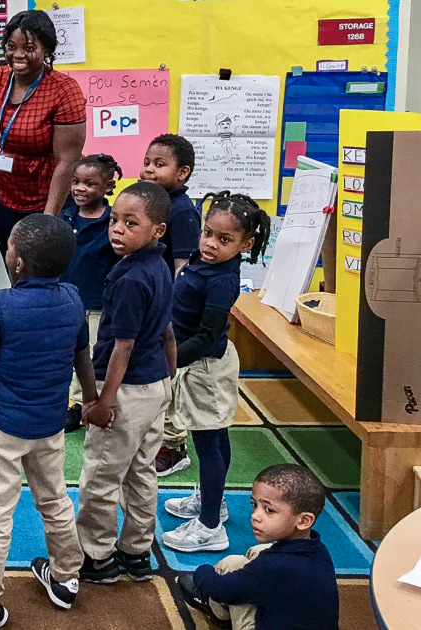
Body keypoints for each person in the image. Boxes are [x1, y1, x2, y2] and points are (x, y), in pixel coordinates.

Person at [0, 214, 97, 624]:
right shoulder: (73, 300)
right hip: (50, 426)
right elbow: (83, 357)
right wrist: (94, 400)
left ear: (18, 263)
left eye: (10, 246)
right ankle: (66, 577)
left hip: (3, 429)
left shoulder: (2, 305)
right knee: (55, 500)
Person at [75, 182, 177, 585]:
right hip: (154, 386)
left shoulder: (132, 278)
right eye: (115, 220)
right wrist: (169, 380)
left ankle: (96, 556)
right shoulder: (159, 266)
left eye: (130, 223)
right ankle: (136, 551)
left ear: (158, 230)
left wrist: (103, 401)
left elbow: (123, 346)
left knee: (100, 476)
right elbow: (167, 331)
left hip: (127, 391)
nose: (117, 229)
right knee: (141, 471)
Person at [161, 193, 271, 554]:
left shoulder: (222, 279)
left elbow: (206, 337)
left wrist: (167, 361)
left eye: (224, 240)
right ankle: (214, 502)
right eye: (207, 233)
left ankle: (210, 527)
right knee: (213, 439)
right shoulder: (202, 261)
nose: (210, 244)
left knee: (209, 444)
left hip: (206, 367)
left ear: (246, 244)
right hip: (200, 363)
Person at [0, 10, 87, 255]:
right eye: (11, 46)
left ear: (47, 50)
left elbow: (67, 161)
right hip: (6, 200)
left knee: (46, 280)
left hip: (49, 203)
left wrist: (48, 220)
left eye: (29, 48)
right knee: (16, 272)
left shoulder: (64, 91)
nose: (17, 55)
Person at [177, 464, 338, 630]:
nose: (255, 516)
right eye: (255, 505)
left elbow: (221, 589)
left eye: (269, 510)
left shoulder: (272, 566)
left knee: (231, 566)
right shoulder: (319, 550)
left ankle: (219, 612)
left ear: (304, 521)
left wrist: (202, 572)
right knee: (257, 553)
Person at [139, 133, 203, 476]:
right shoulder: (154, 203)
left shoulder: (181, 212)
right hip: (151, 306)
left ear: (183, 172)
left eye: (159, 165)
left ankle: (174, 446)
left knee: (171, 380)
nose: (149, 170)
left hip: (169, 309)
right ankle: (156, 435)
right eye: (147, 162)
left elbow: (183, 267)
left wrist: (173, 310)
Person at [59, 154, 122, 431]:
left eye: (90, 183)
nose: (80, 188)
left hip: (97, 304)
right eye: (75, 182)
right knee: (68, 354)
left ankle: (91, 404)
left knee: (92, 356)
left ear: (108, 187)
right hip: (68, 301)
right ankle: (73, 406)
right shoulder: (66, 216)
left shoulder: (112, 222)